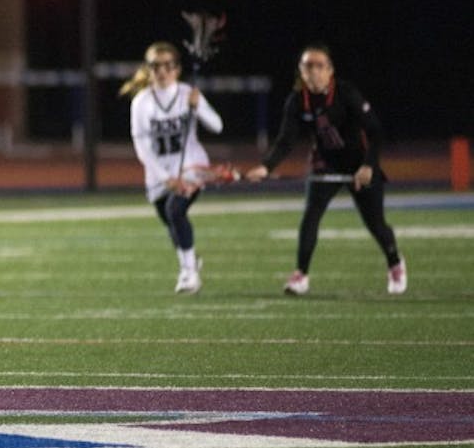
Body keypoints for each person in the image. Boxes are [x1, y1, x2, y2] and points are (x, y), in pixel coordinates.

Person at [244, 44, 405, 296]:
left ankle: (395, 262)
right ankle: (301, 275)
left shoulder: (346, 93)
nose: (314, 71)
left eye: (320, 66)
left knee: (375, 223)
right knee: (310, 217)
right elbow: (286, 140)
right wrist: (266, 167)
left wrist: (368, 166)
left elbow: (375, 132)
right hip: (326, 164)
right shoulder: (297, 101)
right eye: (308, 66)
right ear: (301, 71)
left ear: (330, 71)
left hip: (359, 163)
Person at [119, 42, 222, 294]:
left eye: (168, 65)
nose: (162, 71)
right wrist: (165, 178)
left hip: (192, 165)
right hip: (159, 172)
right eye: (156, 66)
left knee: (175, 209)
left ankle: (188, 273)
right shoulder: (142, 102)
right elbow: (142, 146)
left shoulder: (188, 93)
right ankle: (190, 264)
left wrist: (199, 107)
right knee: (170, 221)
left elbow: (217, 126)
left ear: (177, 69)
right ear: (149, 69)